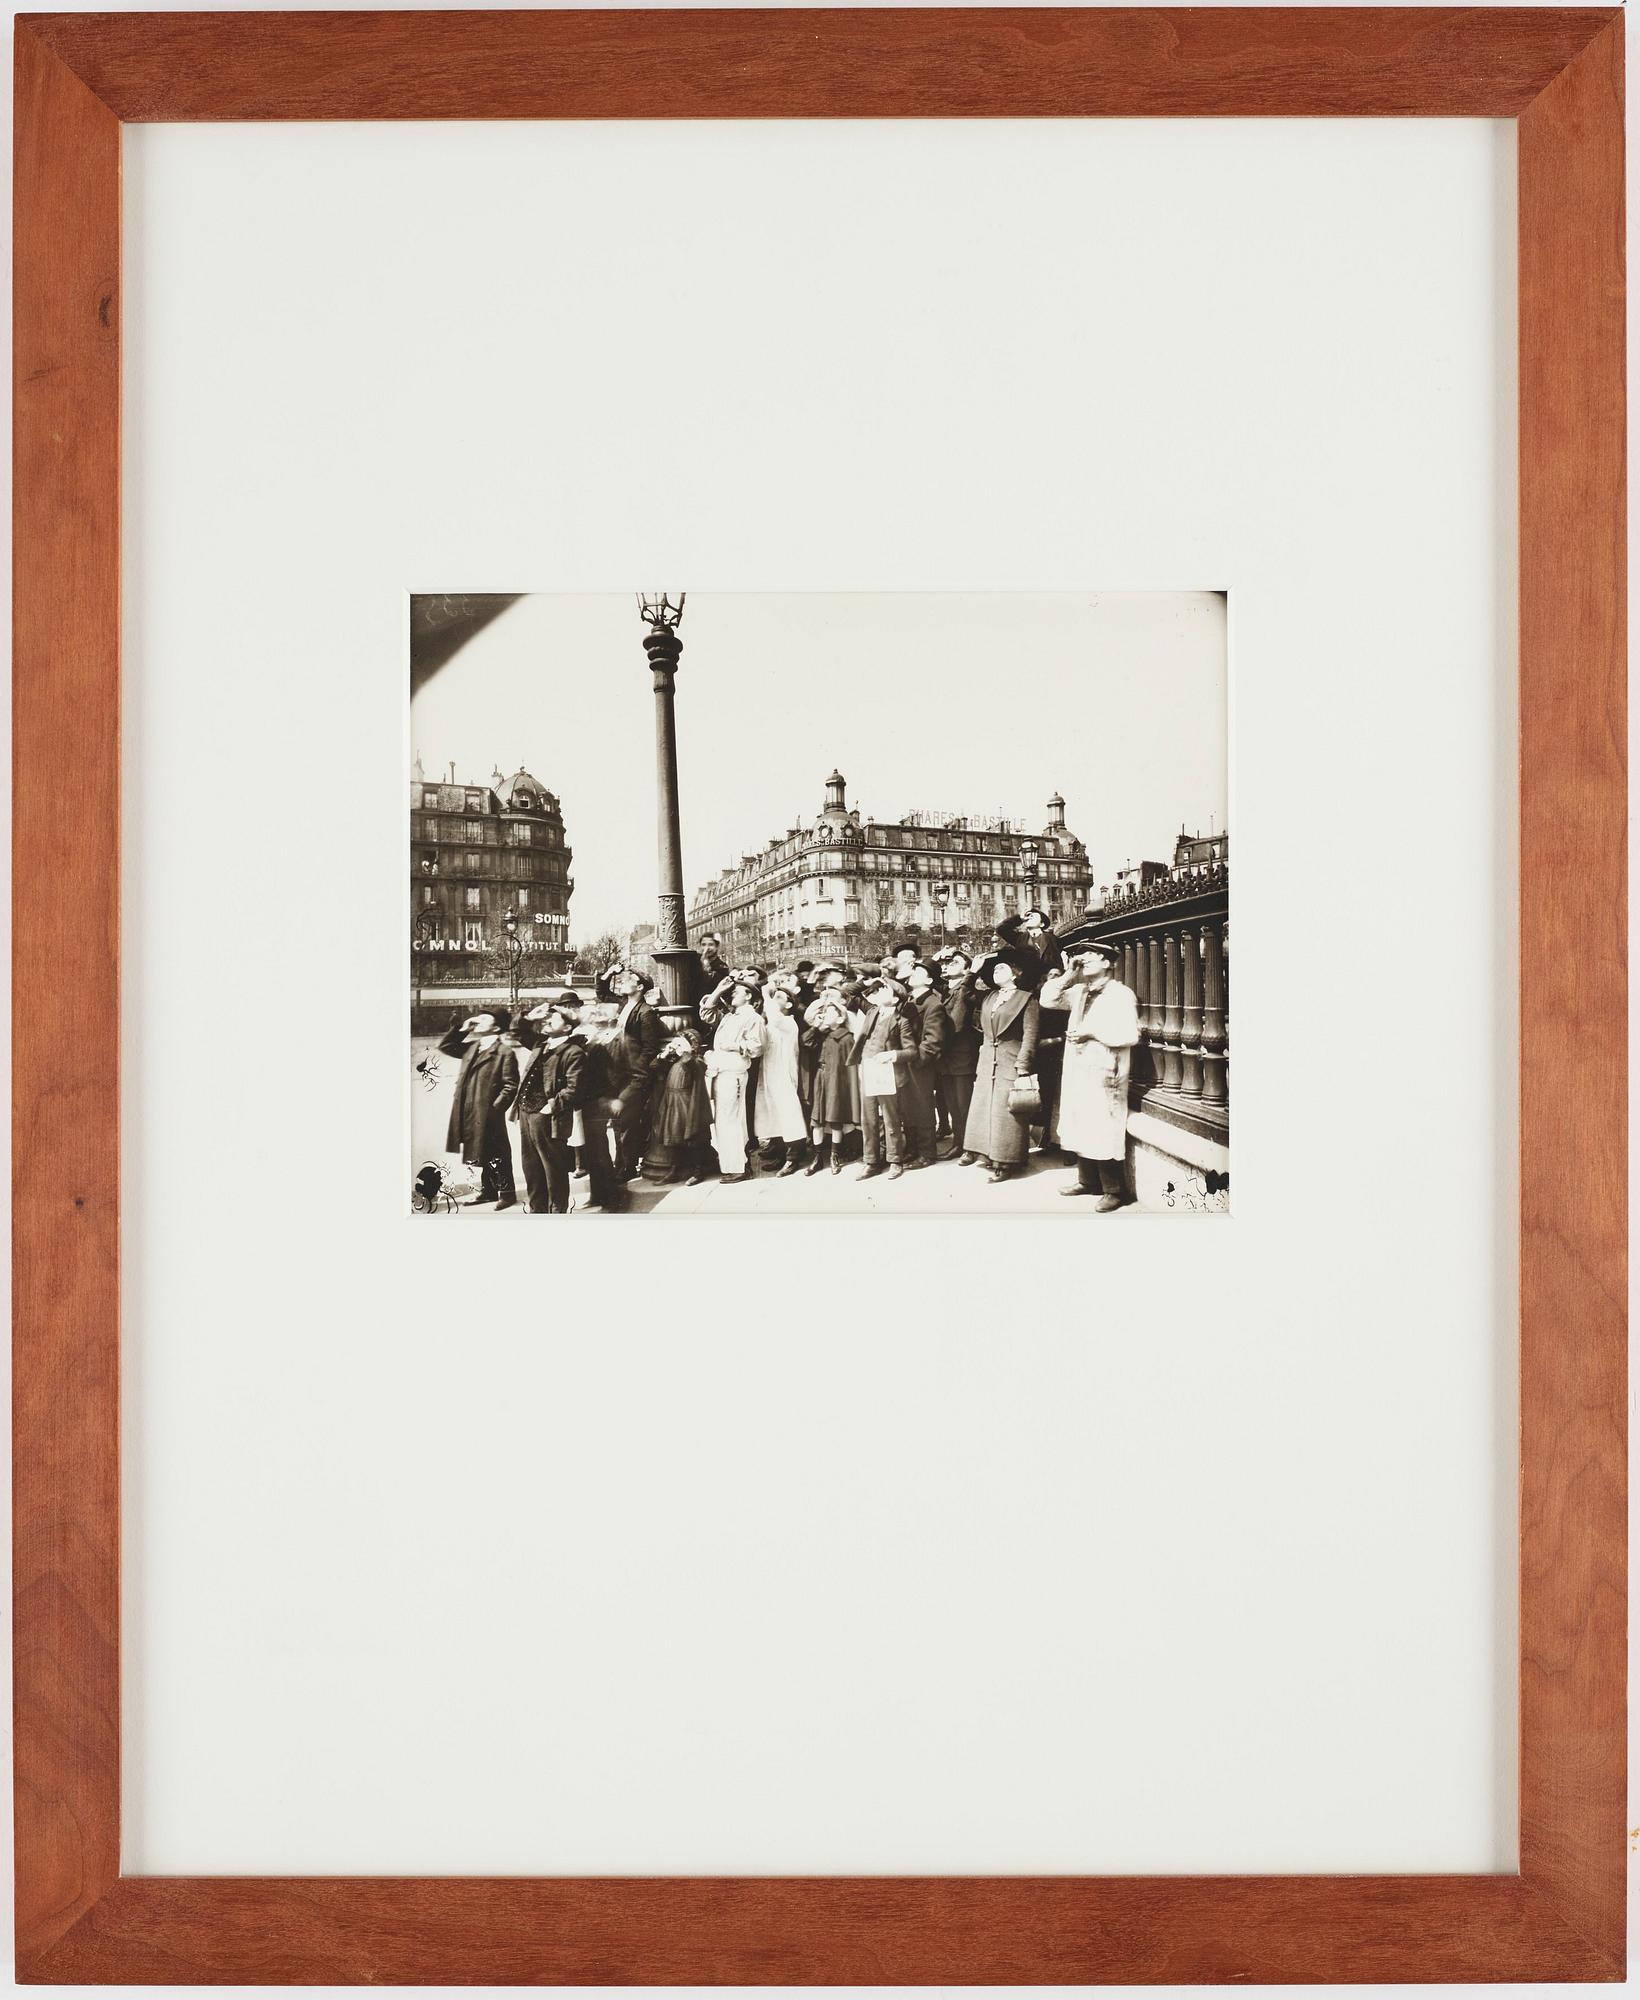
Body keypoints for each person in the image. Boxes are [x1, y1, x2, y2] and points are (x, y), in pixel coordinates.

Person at [1039, 941, 1141, 1210]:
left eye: (1092, 956)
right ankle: (1087, 1181)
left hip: (1106, 1068)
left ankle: (1114, 1190)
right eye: (1080, 956)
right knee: (1079, 1119)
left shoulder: (1121, 994)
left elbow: (1131, 1034)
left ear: (1108, 963)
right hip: (1079, 1067)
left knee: (1102, 1123)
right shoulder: (1079, 991)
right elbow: (1047, 999)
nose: (1084, 959)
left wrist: (1093, 1033)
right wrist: (1068, 975)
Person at [962, 948, 1040, 1182]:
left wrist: (1023, 1064)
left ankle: (1007, 1161)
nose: (996, 971)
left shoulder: (1027, 998)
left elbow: (1030, 1034)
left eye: (1002, 968)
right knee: (985, 1108)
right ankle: (986, 1153)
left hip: (1011, 1060)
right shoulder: (989, 997)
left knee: (1008, 1112)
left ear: (1016, 973)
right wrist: (972, 973)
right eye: (995, 968)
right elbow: (965, 994)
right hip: (987, 1061)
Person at [507, 996, 587, 1214]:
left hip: (548, 1117)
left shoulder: (573, 1052)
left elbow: (573, 1088)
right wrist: (530, 1017)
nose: (548, 1020)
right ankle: (537, 1210)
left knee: (554, 1169)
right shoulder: (540, 1044)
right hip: (526, 1113)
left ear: (568, 1027)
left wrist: (550, 1107)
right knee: (531, 1167)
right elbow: (516, 1031)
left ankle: (557, 1212)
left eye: (555, 1017)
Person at [438, 1007, 518, 1209]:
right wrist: (462, 1029)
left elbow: (511, 1086)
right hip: (469, 1108)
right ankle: (489, 1191)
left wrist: (495, 1109)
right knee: (483, 1149)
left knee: (498, 1151)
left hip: (489, 1111)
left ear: (496, 1027)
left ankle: (507, 1194)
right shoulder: (473, 1046)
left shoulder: (504, 1052)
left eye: (484, 1019)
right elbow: (446, 1045)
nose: (478, 1021)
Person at [599, 961, 665, 1182]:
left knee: (626, 1121)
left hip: (634, 1076)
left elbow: (649, 1049)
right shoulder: (623, 1004)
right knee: (619, 1121)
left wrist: (637, 1073)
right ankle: (622, 1164)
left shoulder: (645, 1013)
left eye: (629, 980)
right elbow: (601, 992)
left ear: (640, 987)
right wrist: (610, 972)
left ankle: (627, 1167)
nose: (624, 982)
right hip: (616, 1073)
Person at [851, 975, 916, 1180]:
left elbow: (912, 1051)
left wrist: (892, 1055)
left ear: (896, 999)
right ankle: (871, 1161)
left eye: (884, 989)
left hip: (888, 1073)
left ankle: (895, 1160)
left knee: (891, 1118)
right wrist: (867, 982)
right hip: (869, 1069)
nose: (878, 991)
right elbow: (851, 992)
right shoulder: (872, 1011)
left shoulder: (901, 1021)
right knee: (868, 1119)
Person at [704, 976, 765, 1183]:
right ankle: (734, 1163)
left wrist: (737, 1046)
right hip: (722, 1072)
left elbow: (757, 1047)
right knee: (726, 1119)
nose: (732, 994)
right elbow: (707, 1014)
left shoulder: (753, 1018)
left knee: (731, 1120)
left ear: (749, 996)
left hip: (734, 1073)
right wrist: (719, 990)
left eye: (736, 992)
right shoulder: (731, 1016)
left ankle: (738, 1167)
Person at [801, 984, 861, 1174]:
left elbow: (849, 1067)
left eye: (830, 1011)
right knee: (817, 1120)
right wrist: (817, 1027)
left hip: (837, 1082)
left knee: (836, 1119)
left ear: (841, 1017)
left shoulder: (846, 1038)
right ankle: (818, 1157)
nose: (825, 1014)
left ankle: (835, 1154)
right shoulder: (821, 1034)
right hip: (821, 1079)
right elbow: (806, 1042)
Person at [756, 978, 810, 1172]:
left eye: (778, 996)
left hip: (783, 1073)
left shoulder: (788, 1022)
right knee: (773, 1112)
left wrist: (765, 994)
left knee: (788, 1112)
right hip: (770, 1072)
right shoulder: (772, 1022)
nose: (773, 998)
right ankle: (780, 1154)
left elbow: (774, 1017)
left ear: (788, 1005)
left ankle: (794, 1157)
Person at [648, 1026, 714, 1184]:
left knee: (692, 1136)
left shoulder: (696, 1060)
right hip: (672, 1101)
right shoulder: (674, 1060)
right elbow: (653, 1067)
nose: (676, 1047)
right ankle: (674, 1170)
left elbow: (696, 1067)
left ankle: (698, 1172)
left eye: (681, 1043)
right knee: (673, 1138)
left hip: (686, 1103)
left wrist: (684, 1052)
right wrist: (664, 1054)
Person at [900, 961, 949, 1169]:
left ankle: (927, 1153)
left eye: (918, 972)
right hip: (906, 1062)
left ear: (929, 980)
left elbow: (933, 1041)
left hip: (920, 1065)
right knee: (908, 1108)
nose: (912, 974)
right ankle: (912, 1149)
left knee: (922, 1108)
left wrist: (916, 1061)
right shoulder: (909, 1000)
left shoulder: (933, 1004)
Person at [937, 949, 982, 1163]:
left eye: (954, 962)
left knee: (964, 1104)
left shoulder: (968, 990)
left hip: (962, 1056)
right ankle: (958, 1143)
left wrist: (970, 977)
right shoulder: (945, 990)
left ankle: (969, 1147)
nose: (947, 965)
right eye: (945, 963)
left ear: (967, 969)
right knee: (953, 1104)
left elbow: (956, 1021)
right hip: (947, 1057)